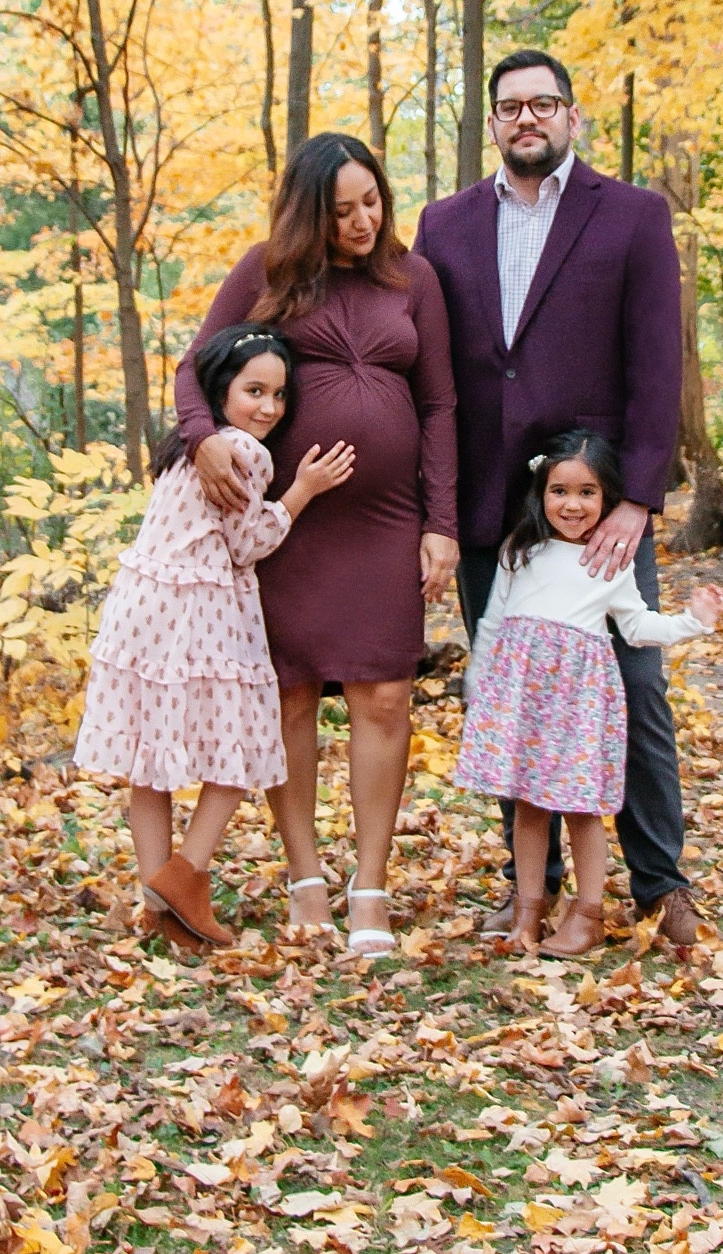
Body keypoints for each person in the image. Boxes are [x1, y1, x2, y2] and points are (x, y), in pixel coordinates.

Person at [414, 47, 703, 946]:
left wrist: (637, 499)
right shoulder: (444, 224)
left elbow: (658, 365)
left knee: (636, 684)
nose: (526, 119)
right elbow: (435, 371)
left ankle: (660, 881)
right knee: (510, 689)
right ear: (492, 122)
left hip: (593, 504)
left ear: (573, 118)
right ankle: (527, 887)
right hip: (493, 504)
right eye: (510, 107)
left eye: (544, 105)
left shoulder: (632, 216)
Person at [177, 133, 458, 959]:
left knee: (384, 696)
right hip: (288, 522)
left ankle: (369, 883)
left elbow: (440, 404)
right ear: (309, 214)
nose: (364, 220)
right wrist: (203, 441)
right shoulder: (266, 269)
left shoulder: (414, 278)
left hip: (384, 524)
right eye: (341, 211)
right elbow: (196, 369)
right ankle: (305, 878)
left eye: (371, 201)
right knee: (292, 695)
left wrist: (440, 521)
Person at [73, 322, 354, 952]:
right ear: (221, 388)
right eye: (254, 390)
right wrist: (303, 490)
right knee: (243, 743)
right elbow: (247, 542)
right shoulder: (246, 453)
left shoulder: (183, 445)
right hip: (201, 611)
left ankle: (159, 907)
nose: (268, 408)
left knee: (151, 759)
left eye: (279, 396)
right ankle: (185, 876)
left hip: (141, 607)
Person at [455, 433, 723, 957]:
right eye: (559, 491)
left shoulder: (610, 562)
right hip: (524, 702)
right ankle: (530, 909)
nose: (572, 505)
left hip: (577, 705)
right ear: (541, 493)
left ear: (607, 499)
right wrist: (479, 683)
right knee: (529, 804)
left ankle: (588, 914)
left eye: (587, 492)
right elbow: (490, 623)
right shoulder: (519, 551)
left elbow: (638, 626)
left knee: (581, 808)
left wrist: (694, 622)